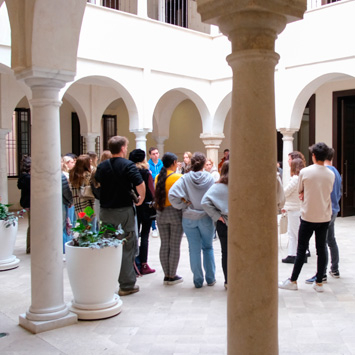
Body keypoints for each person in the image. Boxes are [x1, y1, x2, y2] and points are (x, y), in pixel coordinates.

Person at [278, 142, 335, 293]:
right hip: (324, 215)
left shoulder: (306, 172)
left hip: (308, 215)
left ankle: (293, 280)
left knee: (301, 248)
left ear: (314, 156)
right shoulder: (331, 173)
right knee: (321, 248)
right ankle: (319, 283)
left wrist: (305, 193)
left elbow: (300, 191)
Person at [95, 136, 145, 296]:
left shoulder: (102, 166)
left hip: (106, 210)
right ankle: (127, 284)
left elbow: (96, 185)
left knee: (108, 244)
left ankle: (107, 282)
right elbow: (140, 183)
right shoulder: (128, 165)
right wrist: (141, 198)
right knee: (127, 246)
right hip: (124, 210)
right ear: (123, 148)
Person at [169, 152, 216, 288]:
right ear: (203, 164)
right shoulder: (209, 178)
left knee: (193, 249)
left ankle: (197, 280)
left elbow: (172, 195)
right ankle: (211, 278)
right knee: (208, 247)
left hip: (189, 217)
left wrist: (183, 205)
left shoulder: (185, 178)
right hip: (206, 216)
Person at [305, 147, 342, 283]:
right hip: (334, 209)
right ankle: (335, 269)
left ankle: (323, 273)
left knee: (322, 243)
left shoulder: (327, 172)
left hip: (326, 210)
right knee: (331, 240)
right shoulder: (336, 172)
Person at [155, 152, 184, 285]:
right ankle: (172, 275)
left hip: (160, 212)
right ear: (173, 163)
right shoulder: (178, 177)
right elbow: (183, 196)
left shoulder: (157, 177)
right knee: (174, 245)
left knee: (164, 244)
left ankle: (166, 274)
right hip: (175, 212)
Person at [201, 161, 229, 289]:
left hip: (223, 224)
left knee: (226, 252)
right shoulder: (241, 185)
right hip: (239, 224)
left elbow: (205, 202)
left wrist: (217, 216)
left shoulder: (217, 187)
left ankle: (228, 281)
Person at [129, 148, 156, 275]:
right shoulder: (146, 173)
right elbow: (151, 190)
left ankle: (134, 262)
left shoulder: (129, 172)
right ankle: (144, 264)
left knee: (134, 234)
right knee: (145, 235)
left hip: (132, 205)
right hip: (145, 206)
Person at [281, 158, 305, 264]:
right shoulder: (300, 178)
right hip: (295, 208)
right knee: (293, 233)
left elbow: (286, 192)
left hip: (295, 208)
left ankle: (298, 254)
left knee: (295, 233)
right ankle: (292, 254)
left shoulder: (295, 179)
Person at [69, 154, 95, 221]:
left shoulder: (73, 174)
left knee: (83, 227)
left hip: (78, 205)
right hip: (88, 204)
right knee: (91, 227)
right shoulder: (87, 175)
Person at [148, 147, 163, 237]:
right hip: (152, 189)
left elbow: (164, 174)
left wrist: (155, 176)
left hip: (161, 189)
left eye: (157, 153)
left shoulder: (162, 164)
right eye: (153, 154)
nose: (155, 155)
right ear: (150, 155)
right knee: (153, 208)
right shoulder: (148, 164)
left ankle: (161, 226)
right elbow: (149, 175)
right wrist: (157, 176)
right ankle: (153, 228)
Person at [17, 155, 31, 254]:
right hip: (30, 203)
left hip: (27, 203)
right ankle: (30, 247)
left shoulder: (24, 177)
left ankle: (30, 247)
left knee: (31, 225)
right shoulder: (28, 178)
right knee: (32, 226)